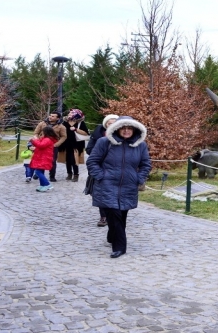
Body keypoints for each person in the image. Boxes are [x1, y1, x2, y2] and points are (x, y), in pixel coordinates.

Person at [86, 116, 151, 258]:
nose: (127, 131)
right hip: (107, 185)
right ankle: (119, 247)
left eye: (130, 128)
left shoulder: (140, 145)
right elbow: (92, 161)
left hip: (129, 186)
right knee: (113, 213)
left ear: (135, 130)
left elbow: (146, 164)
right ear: (117, 129)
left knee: (122, 214)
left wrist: (139, 178)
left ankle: (112, 236)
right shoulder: (104, 142)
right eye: (123, 128)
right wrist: (101, 176)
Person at [85, 114, 119, 227]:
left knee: (114, 193)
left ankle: (113, 214)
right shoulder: (98, 135)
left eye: (115, 122)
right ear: (106, 124)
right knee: (99, 193)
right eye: (110, 123)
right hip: (100, 169)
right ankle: (103, 216)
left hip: (116, 170)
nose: (112, 125)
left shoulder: (122, 136)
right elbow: (89, 149)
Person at [33, 112, 67, 182]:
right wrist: (37, 140)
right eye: (50, 115)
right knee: (40, 160)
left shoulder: (61, 126)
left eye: (53, 116)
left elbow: (64, 136)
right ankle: (39, 174)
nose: (50, 117)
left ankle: (52, 176)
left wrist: (57, 144)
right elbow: (36, 133)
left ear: (57, 118)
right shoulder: (42, 123)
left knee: (52, 161)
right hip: (42, 145)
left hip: (53, 146)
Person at [58, 109, 89, 182]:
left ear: (77, 114)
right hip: (65, 143)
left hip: (76, 144)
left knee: (74, 159)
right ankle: (69, 173)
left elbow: (86, 133)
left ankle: (76, 175)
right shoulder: (64, 122)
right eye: (70, 112)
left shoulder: (80, 123)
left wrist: (76, 129)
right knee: (67, 159)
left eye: (72, 112)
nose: (69, 113)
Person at [29, 126, 59, 192]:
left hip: (43, 158)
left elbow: (41, 145)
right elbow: (41, 146)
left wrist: (33, 140)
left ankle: (47, 184)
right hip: (41, 157)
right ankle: (42, 185)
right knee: (41, 171)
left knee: (37, 172)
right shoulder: (46, 139)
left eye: (43, 132)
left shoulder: (47, 139)